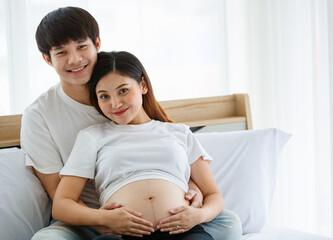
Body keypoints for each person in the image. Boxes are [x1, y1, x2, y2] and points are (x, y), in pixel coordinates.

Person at [21, 6, 242, 240]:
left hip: (169, 219)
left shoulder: (132, 99)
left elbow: (163, 152)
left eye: (81, 46)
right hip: (86, 217)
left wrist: (191, 190)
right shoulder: (41, 116)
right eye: (61, 52)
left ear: (97, 43)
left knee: (229, 222)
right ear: (47, 58)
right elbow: (61, 197)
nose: (74, 59)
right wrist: (105, 220)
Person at [53, 50, 222, 240]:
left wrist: (199, 216)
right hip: (122, 236)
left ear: (143, 85)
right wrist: (103, 218)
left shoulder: (179, 132)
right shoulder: (92, 136)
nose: (115, 104)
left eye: (123, 90)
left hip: (183, 232)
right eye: (104, 96)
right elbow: (62, 204)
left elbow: (213, 194)